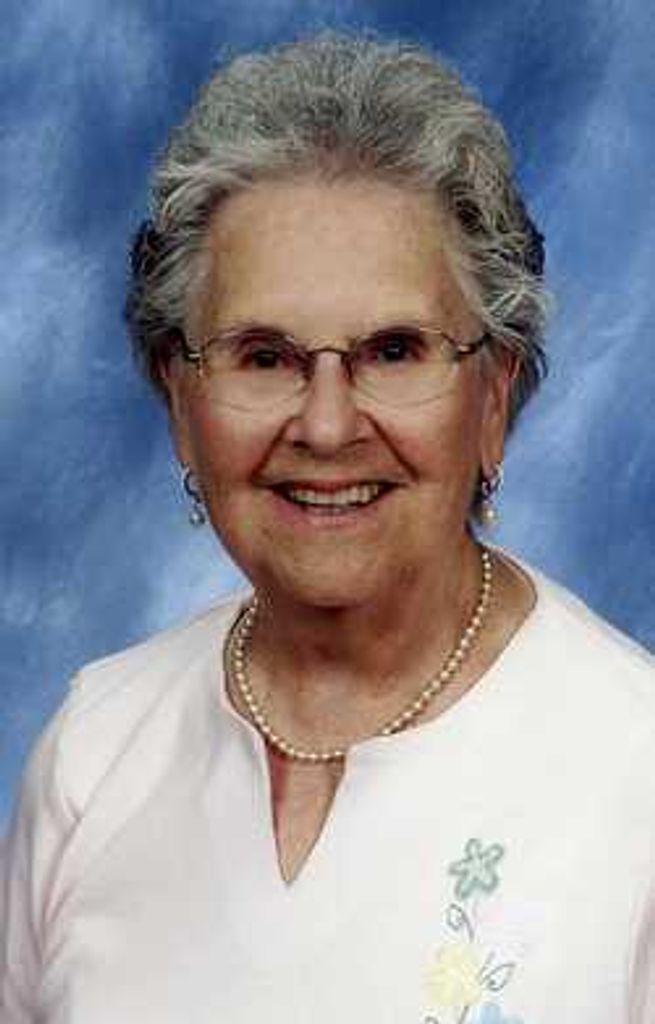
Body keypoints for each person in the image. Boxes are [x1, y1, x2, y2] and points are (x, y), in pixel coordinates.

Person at [2, 31, 654, 1024]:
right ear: (180, 402)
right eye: (264, 357)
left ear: (493, 394)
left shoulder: (633, 770)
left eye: (393, 350)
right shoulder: (94, 750)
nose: (325, 424)